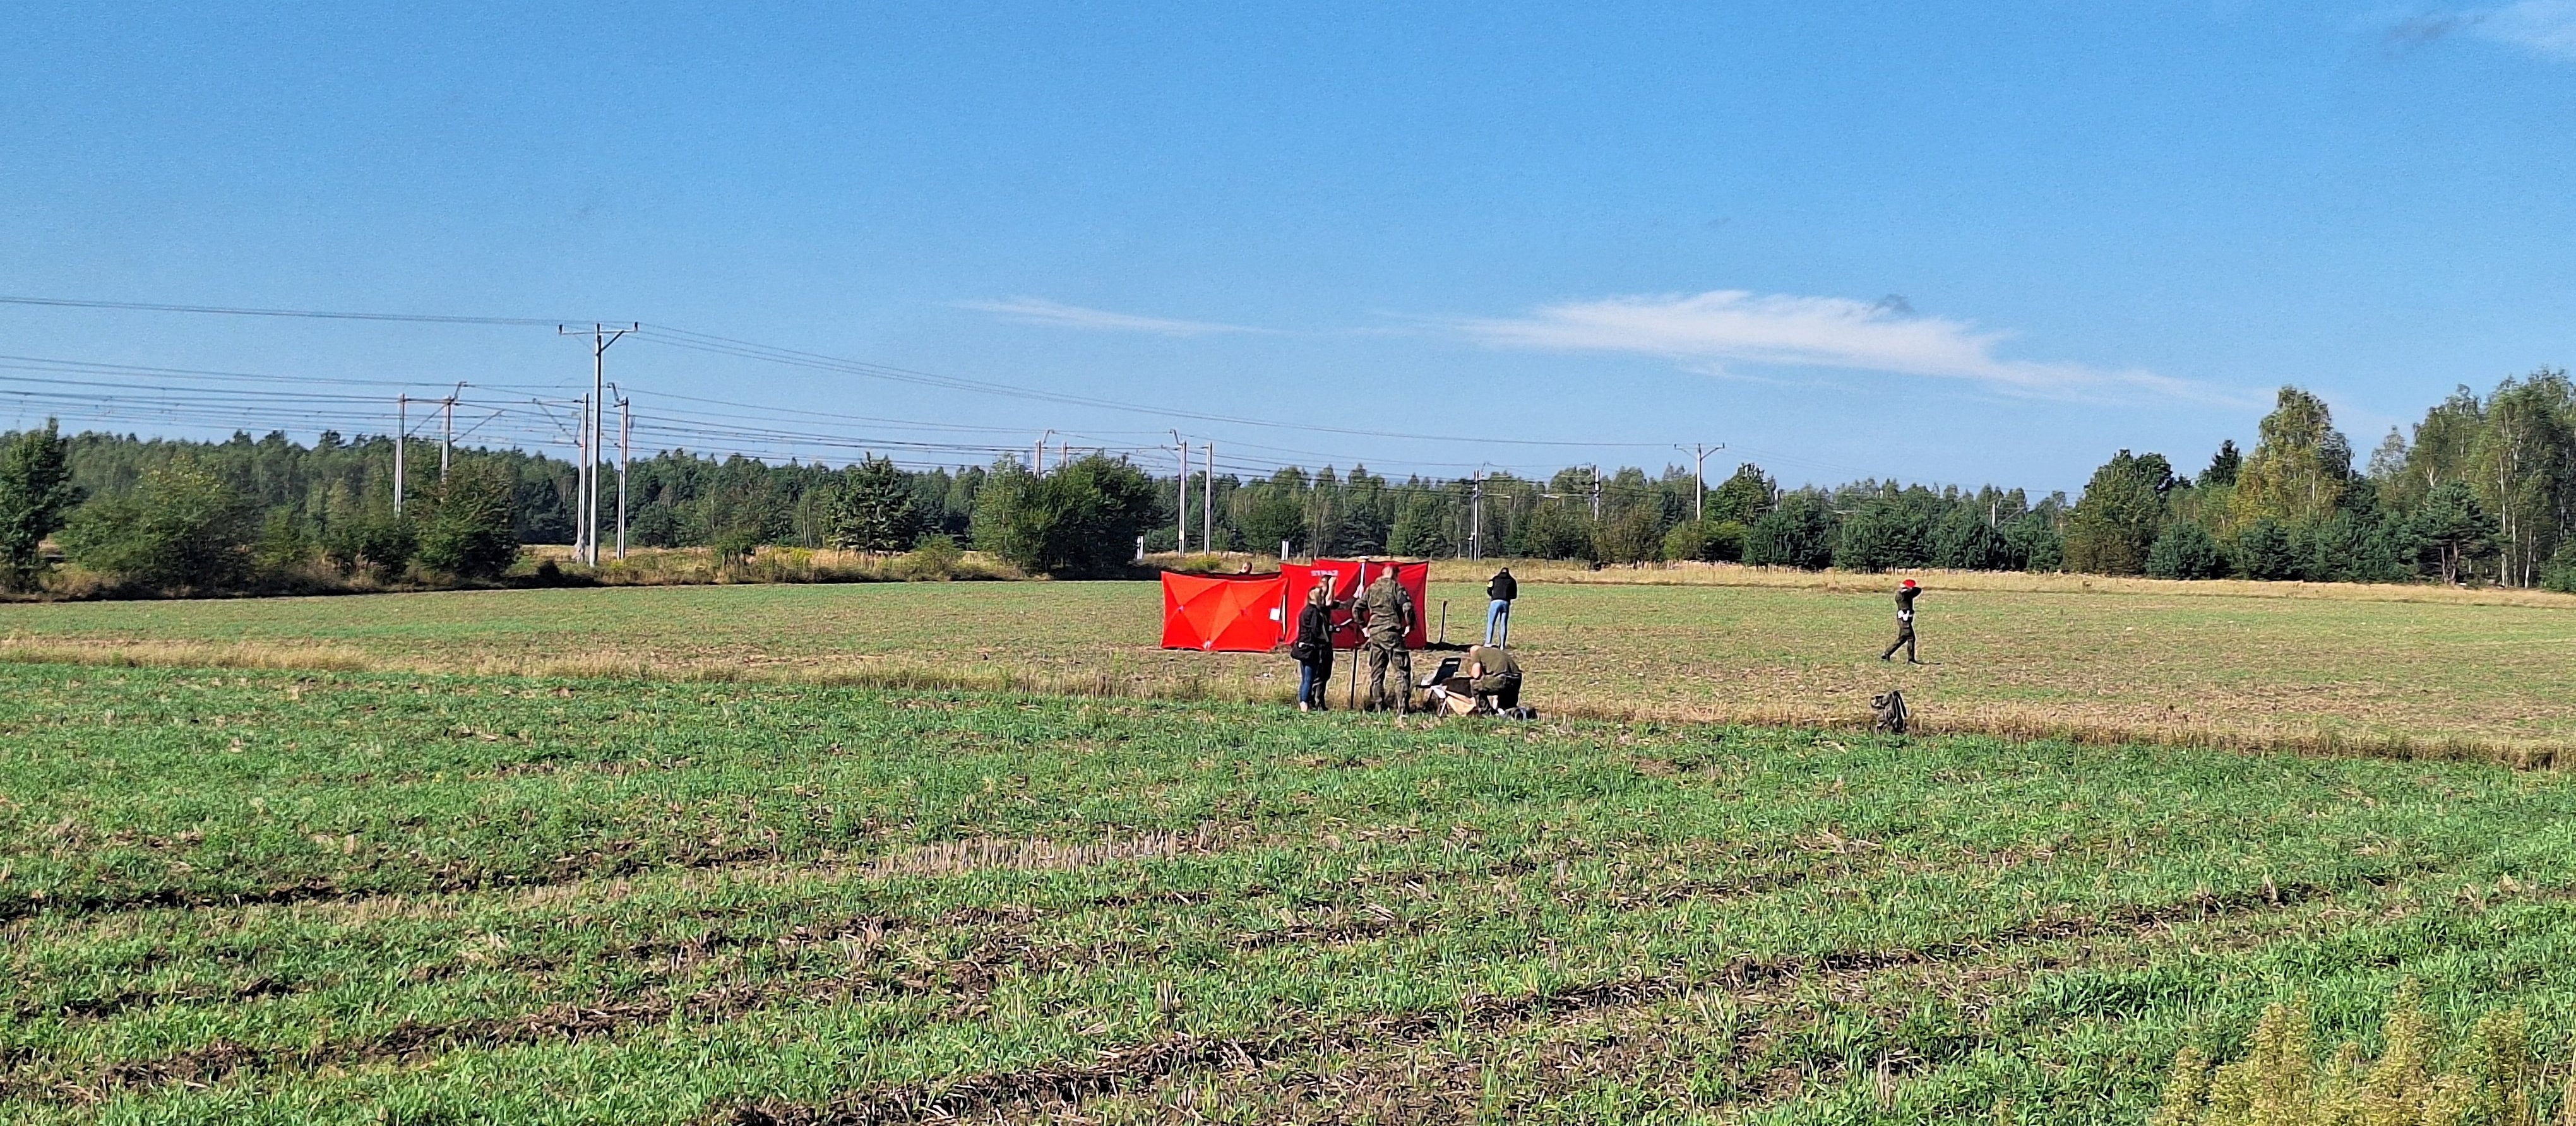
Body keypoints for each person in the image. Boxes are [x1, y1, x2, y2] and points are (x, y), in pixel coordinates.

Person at [1354, 566, 1416, 713]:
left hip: (1375, 635)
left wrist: (1364, 628)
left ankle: (1379, 706)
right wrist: (1410, 625)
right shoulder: (1397, 588)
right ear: (1395, 574)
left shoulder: (1372, 589)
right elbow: (1407, 608)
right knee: (1402, 671)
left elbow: (1356, 609)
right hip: (1392, 633)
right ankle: (1402, 708)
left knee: (1377, 673)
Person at [1290, 584, 1338, 712]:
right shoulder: (1315, 612)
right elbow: (1316, 631)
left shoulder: (1304, 611)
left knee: (1305, 677)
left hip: (1302, 647)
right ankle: (1304, 704)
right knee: (1309, 679)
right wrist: (1328, 633)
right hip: (1311, 649)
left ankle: (1303, 701)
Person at [1464, 643, 1521, 713]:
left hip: (1502, 678)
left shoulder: (1477, 652)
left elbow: (1476, 675)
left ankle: (1486, 713)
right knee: (1506, 706)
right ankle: (1517, 714)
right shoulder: (1496, 651)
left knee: (1475, 686)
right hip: (1516, 678)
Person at [1880, 579, 1923, 663]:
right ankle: (1911, 660)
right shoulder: (1903, 594)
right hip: (1904, 619)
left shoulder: (1905, 594)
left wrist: (1908, 587)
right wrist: (1908, 588)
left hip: (1904, 619)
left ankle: (1887, 654)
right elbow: (1918, 590)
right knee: (1911, 638)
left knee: (1902, 639)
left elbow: (1918, 590)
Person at [1485, 566, 1517, 646]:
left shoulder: (1494, 579)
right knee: (1503, 624)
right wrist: (1508, 597)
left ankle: (1488, 642)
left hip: (1495, 601)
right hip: (1506, 603)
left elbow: (1489, 588)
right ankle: (1502, 644)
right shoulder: (1512, 581)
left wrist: (1492, 595)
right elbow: (1515, 595)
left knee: (1491, 623)